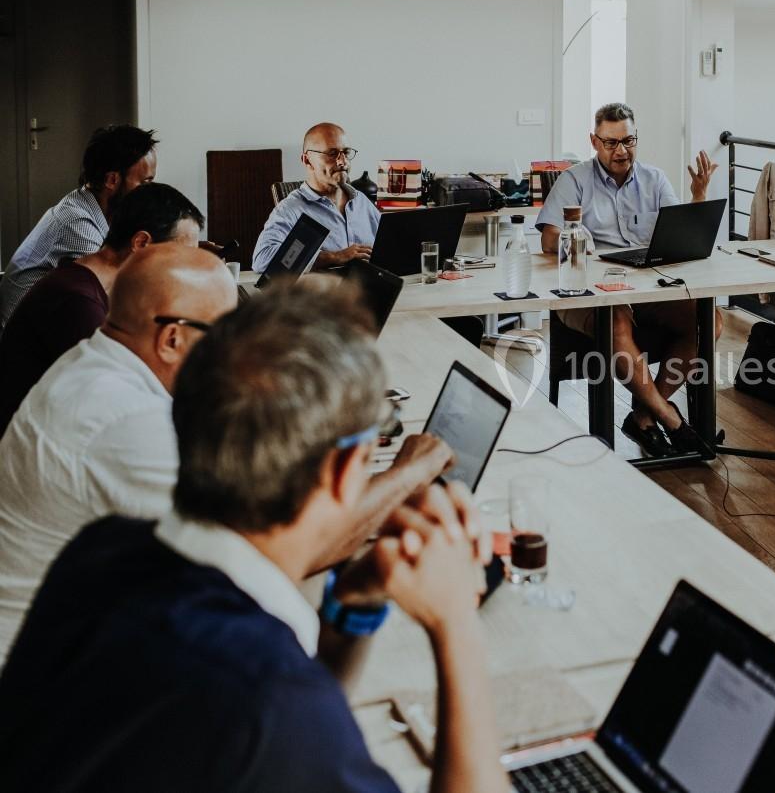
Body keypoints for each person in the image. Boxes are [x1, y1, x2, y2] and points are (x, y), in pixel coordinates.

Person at [0, 282, 505, 792]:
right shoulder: (269, 704)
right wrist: (456, 622)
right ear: (347, 466)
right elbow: (281, 716)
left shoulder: (103, 550)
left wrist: (354, 600)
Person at [0, 251, 453, 663]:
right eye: (225, 334)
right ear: (172, 340)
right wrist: (408, 473)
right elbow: (281, 554)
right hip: (47, 683)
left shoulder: (97, 366)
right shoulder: (125, 422)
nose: (237, 353)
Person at [536, 102, 720, 457]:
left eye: (628, 141)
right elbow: (548, 239)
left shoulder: (654, 179)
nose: (621, 151)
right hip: (588, 293)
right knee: (616, 320)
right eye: (610, 143)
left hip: (646, 285)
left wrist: (698, 198)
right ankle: (671, 419)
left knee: (707, 319)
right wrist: (582, 243)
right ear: (594, 140)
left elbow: (679, 233)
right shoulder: (574, 180)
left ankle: (645, 416)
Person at [0, 182, 203, 432]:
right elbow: (115, 404)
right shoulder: (77, 301)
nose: (184, 268)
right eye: (181, 255)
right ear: (141, 243)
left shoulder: (90, 284)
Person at [0, 124, 158, 329]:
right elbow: (110, 293)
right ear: (112, 180)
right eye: (145, 182)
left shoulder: (95, 207)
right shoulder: (77, 223)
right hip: (23, 342)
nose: (149, 191)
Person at [253, 122, 379, 273]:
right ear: (307, 160)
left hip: (372, 291)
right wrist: (333, 257)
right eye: (332, 154)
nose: (342, 161)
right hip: (323, 294)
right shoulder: (291, 209)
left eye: (345, 152)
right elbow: (262, 259)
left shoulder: (361, 201)